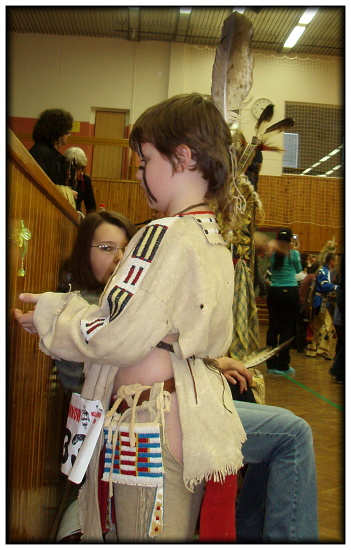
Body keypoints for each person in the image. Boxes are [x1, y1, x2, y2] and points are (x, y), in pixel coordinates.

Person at [14, 93, 247, 542]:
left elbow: (114, 332)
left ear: (181, 157)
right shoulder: (213, 235)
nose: (138, 174)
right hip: (188, 416)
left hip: (148, 427)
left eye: (145, 161)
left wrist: (50, 314)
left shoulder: (161, 235)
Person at [16, 208, 319, 542]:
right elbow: (111, 357)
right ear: (82, 254)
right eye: (105, 248)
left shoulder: (112, 306)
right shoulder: (90, 309)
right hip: (145, 422)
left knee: (287, 433)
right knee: (292, 434)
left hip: (175, 408)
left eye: (124, 249)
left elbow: (150, 342)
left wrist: (212, 361)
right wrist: (61, 323)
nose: (118, 258)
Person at [266, 228, 302, 375]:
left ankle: (271, 364)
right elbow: (299, 270)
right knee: (287, 328)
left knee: (273, 327)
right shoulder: (294, 254)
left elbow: (271, 271)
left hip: (274, 292)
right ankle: (283, 365)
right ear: (290, 241)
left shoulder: (273, 255)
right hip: (290, 292)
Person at [30, 109, 77, 208]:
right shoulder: (43, 154)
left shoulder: (42, 151)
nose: (69, 134)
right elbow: (41, 186)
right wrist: (66, 193)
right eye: (67, 131)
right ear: (58, 132)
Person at [305, 253, 338, 359]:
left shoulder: (323, 270)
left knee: (317, 326)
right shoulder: (324, 271)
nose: (336, 263)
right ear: (331, 261)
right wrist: (336, 287)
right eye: (335, 260)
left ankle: (312, 350)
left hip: (317, 301)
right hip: (321, 301)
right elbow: (324, 286)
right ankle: (323, 350)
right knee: (328, 326)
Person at [64, 147, 96, 214]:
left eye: (78, 168)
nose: (74, 172)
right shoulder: (60, 176)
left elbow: (91, 207)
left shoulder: (85, 180)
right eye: (71, 168)